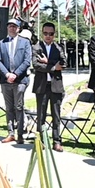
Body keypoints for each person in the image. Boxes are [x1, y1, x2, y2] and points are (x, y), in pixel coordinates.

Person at [31, 22, 66, 152]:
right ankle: (40, 141)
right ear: (42, 33)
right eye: (45, 33)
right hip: (41, 85)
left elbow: (64, 63)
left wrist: (47, 62)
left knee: (56, 115)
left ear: (54, 34)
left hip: (56, 85)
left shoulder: (58, 47)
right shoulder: (36, 47)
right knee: (41, 115)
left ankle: (57, 141)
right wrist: (53, 67)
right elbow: (36, 65)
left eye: (51, 34)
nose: (48, 36)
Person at [0, 19, 32, 144]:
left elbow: (27, 61)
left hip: (20, 80)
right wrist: (7, 74)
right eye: (10, 26)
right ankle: (11, 133)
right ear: (7, 28)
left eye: (14, 26)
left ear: (19, 29)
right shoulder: (1, 43)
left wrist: (15, 74)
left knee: (19, 106)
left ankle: (20, 134)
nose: (12, 28)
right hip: (5, 80)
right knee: (9, 107)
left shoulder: (25, 42)